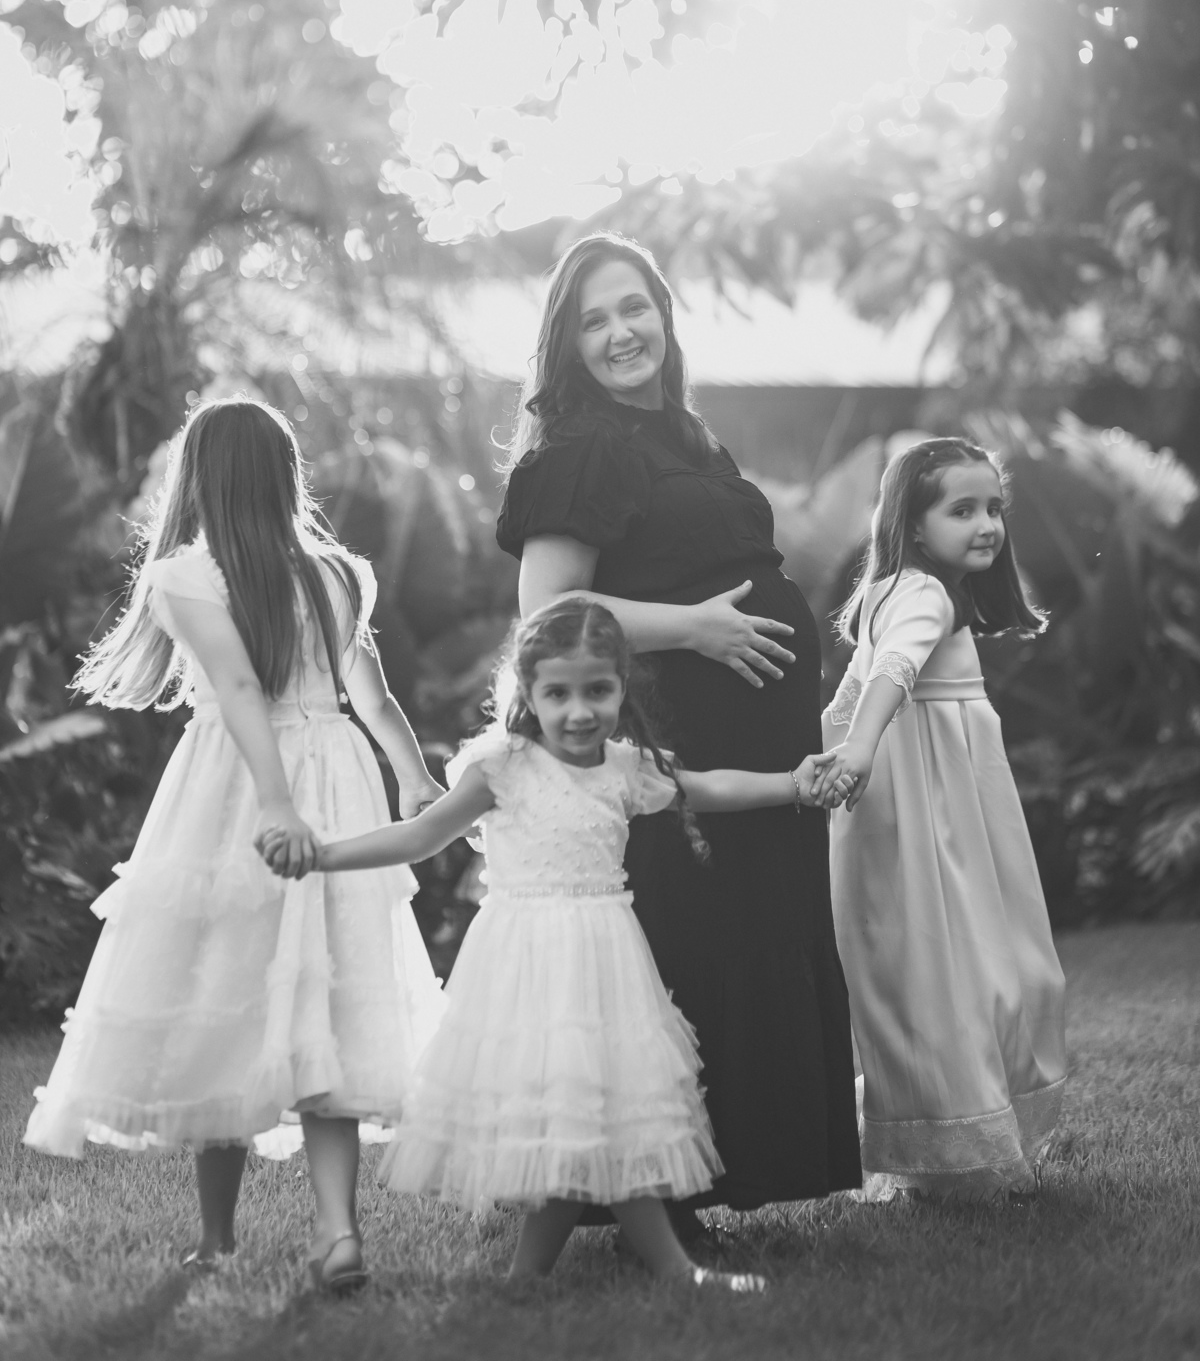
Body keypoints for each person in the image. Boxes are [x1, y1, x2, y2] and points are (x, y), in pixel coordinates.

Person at [261, 596, 845, 1285]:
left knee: (609, 1118)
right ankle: (610, 1274)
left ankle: (568, 1277)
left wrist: (791, 784)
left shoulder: (625, 768)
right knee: (576, 1120)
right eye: (558, 694)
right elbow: (420, 835)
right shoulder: (501, 768)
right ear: (528, 693)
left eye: (598, 691)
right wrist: (324, 855)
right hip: (526, 968)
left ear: (623, 688)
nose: (579, 711)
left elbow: (706, 788)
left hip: (607, 963)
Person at [24, 399, 445, 1293]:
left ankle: (219, 1240)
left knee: (227, 989)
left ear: (198, 478)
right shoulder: (334, 571)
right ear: (286, 475)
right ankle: (336, 1231)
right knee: (321, 999)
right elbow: (369, 698)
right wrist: (409, 776)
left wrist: (278, 803)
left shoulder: (186, 575)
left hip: (240, 787)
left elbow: (243, 688)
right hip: (332, 776)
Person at [493, 232, 862, 1233]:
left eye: (635, 308)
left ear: (664, 312)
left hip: (757, 744)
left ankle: (731, 1171)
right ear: (567, 344)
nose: (621, 333)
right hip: (678, 734)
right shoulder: (581, 448)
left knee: (754, 933)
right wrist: (696, 628)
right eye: (594, 320)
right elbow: (546, 610)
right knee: (690, 946)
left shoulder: (688, 438)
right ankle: (656, 1197)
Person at [815, 435, 1068, 1200]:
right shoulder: (924, 594)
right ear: (914, 524)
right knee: (977, 964)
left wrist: (834, 752)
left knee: (932, 967)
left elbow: (849, 693)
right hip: (934, 815)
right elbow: (890, 672)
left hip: (917, 805)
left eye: (994, 507)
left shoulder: (893, 588)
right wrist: (859, 748)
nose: (987, 524)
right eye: (963, 510)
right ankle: (964, 1142)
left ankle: (944, 1131)